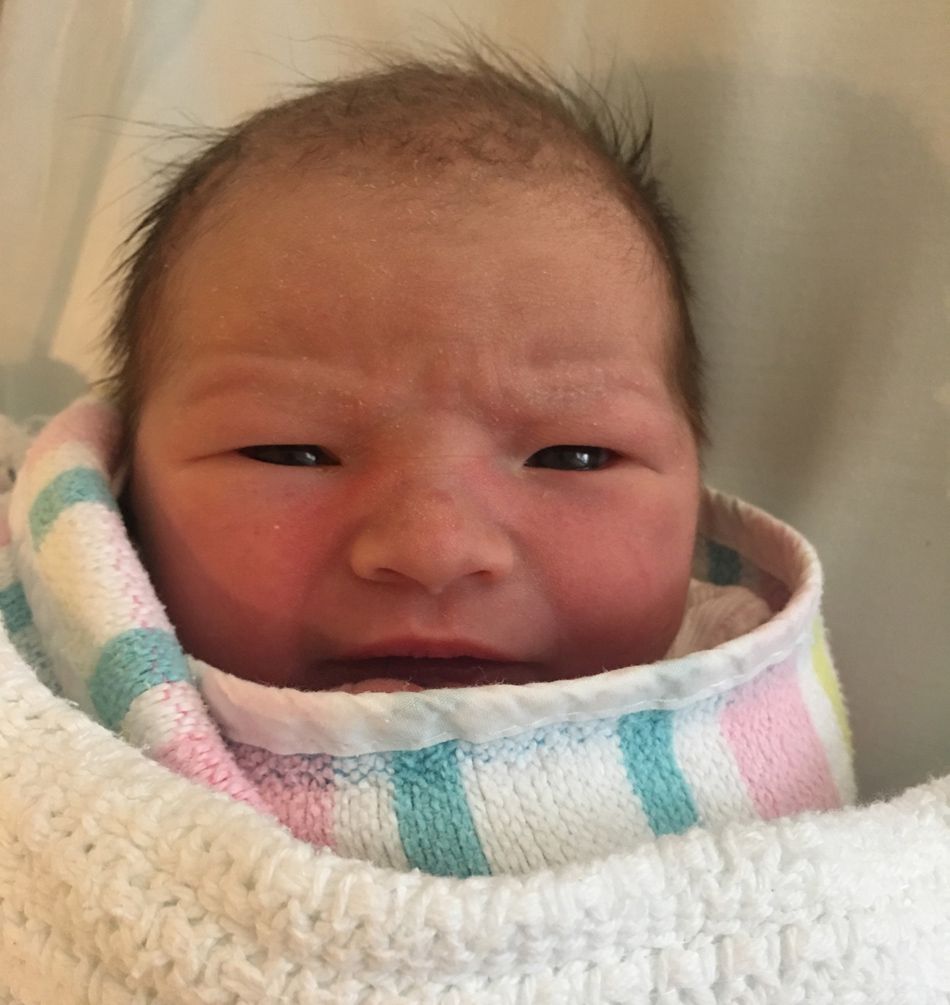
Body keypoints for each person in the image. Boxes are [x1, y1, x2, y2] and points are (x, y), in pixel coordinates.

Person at [0, 53, 853, 880]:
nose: (434, 548)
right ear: (126, 489)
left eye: (574, 456)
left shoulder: (754, 746)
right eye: (292, 452)